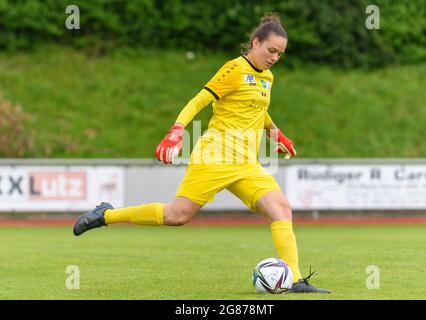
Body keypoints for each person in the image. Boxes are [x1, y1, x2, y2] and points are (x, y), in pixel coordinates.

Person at [73, 12, 330, 294]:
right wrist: (177, 130)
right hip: (216, 156)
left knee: (281, 208)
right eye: (271, 50)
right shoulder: (233, 69)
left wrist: (275, 132)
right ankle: (106, 215)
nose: (274, 58)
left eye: (280, 54)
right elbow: (200, 99)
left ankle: (292, 280)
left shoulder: (267, 77)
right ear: (255, 43)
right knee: (176, 216)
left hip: (246, 163)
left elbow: (257, 108)